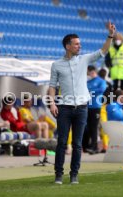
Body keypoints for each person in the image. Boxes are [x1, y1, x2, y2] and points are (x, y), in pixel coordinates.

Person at [48, 21, 116, 184]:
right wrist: (52, 103)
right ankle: (58, 174)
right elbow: (52, 87)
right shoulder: (56, 65)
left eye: (80, 43)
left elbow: (103, 51)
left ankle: (74, 175)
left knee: (78, 144)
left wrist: (110, 35)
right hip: (64, 109)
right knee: (62, 143)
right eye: (76, 44)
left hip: (82, 108)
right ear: (68, 46)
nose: (80, 46)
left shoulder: (85, 59)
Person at [83, 66, 107, 155]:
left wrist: (90, 91)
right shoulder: (88, 82)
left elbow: (102, 89)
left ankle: (95, 147)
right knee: (88, 127)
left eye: (92, 72)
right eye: (89, 72)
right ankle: (90, 146)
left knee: (94, 127)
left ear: (95, 71)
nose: (91, 73)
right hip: (88, 107)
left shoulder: (101, 81)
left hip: (96, 107)